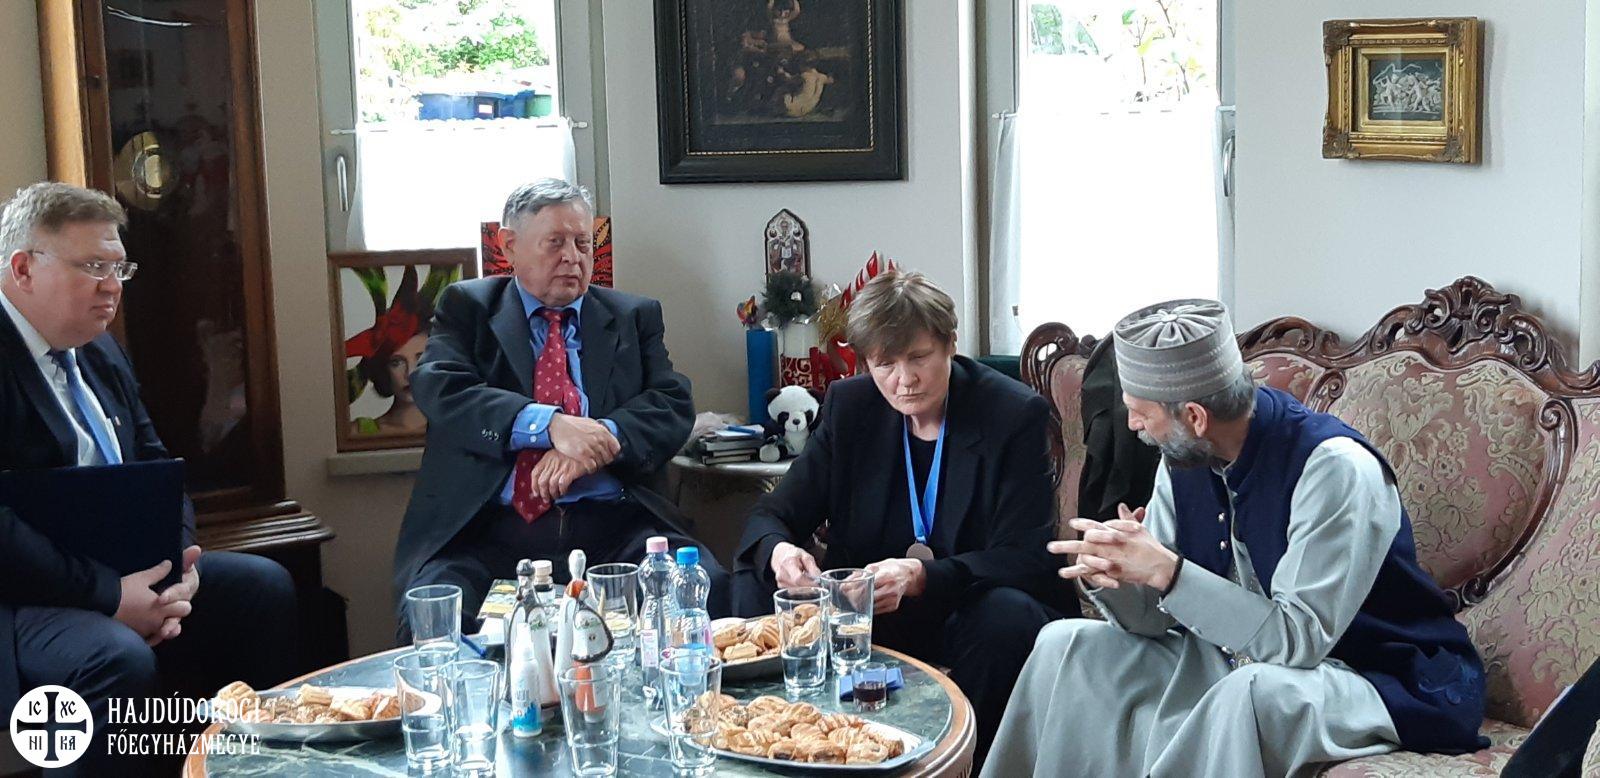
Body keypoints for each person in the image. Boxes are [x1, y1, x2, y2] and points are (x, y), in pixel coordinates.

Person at [983, 299, 1488, 777]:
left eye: (1141, 412)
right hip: (1232, 656)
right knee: (1064, 643)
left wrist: (1167, 571)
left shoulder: (1334, 470)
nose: (1133, 425)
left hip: (1373, 673)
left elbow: (1298, 641)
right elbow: (1155, 623)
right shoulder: (1183, 458)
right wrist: (1118, 574)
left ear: (1195, 417)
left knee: (1250, 692)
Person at [0, 182, 297, 774]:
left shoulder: (100, 351)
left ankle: (264, 768)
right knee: (116, 657)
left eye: (119, 268)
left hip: (125, 568)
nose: (112, 286)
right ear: (24, 268)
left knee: (262, 589)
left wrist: (177, 565)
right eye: (93, 266)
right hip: (23, 593)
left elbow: (157, 467)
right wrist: (110, 597)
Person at [733, 270, 1075, 764]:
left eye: (918, 357)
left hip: (965, 608)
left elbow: (1026, 557)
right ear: (866, 363)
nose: (904, 379)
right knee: (756, 576)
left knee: (1006, 616)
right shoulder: (851, 407)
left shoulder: (1012, 414)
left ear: (950, 345)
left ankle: (962, 766)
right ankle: (775, 749)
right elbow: (773, 514)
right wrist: (782, 551)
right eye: (885, 363)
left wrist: (921, 576)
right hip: (866, 614)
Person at [392, 179, 729, 641]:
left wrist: (598, 440)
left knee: (703, 591)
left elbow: (671, 402)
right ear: (510, 246)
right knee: (433, 615)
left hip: (614, 527)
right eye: (555, 242)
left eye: (582, 243)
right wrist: (549, 425)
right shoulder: (468, 307)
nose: (572, 257)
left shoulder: (633, 315)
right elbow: (440, 387)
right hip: (489, 534)